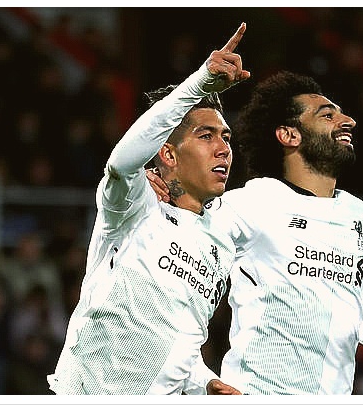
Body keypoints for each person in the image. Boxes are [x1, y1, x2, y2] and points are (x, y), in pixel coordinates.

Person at [148, 70, 363, 394]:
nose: (348, 121)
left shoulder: (361, 217)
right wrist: (155, 191)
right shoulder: (253, 202)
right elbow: (182, 230)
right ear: (288, 135)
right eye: (327, 115)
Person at [47, 23, 250, 395]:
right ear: (168, 154)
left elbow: (179, 340)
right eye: (206, 136)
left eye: (226, 137)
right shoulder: (136, 202)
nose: (223, 149)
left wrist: (205, 381)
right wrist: (200, 83)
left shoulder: (220, 244)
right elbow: (121, 163)